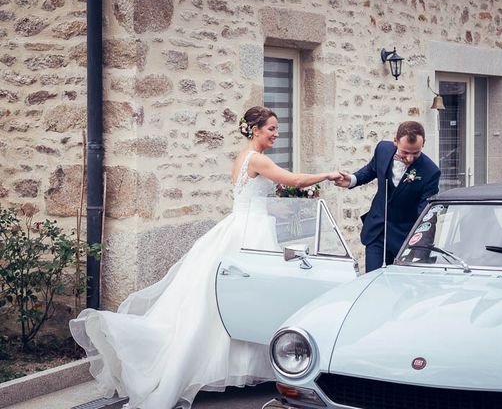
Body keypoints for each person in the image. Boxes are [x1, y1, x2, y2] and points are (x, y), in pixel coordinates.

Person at [70, 106, 341, 409]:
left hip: (242, 225)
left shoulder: (242, 158)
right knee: (248, 299)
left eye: (277, 129)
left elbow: (257, 197)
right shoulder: (259, 159)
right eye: (272, 129)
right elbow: (294, 179)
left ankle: (246, 366)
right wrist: (328, 175)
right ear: (254, 130)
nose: (276, 134)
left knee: (236, 300)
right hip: (250, 233)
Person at [335, 121, 440, 272]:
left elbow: (426, 215)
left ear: (423, 144)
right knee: (373, 280)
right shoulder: (382, 149)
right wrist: (352, 179)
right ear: (395, 141)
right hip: (377, 232)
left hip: (403, 240)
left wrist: (420, 251)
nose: (409, 159)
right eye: (405, 152)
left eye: (415, 153)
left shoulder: (431, 172)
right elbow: (371, 170)